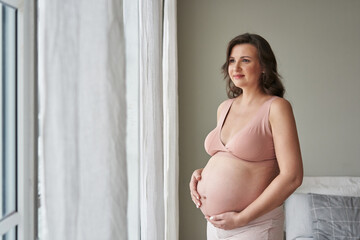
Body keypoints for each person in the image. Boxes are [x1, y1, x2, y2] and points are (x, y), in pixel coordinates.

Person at [189, 33, 303, 240]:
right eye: (232, 61)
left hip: (253, 226)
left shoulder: (276, 108)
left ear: (264, 67)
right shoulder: (224, 107)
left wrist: (242, 218)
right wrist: (202, 174)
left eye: (245, 60)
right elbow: (233, 159)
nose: (236, 67)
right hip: (215, 227)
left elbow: (292, 177)